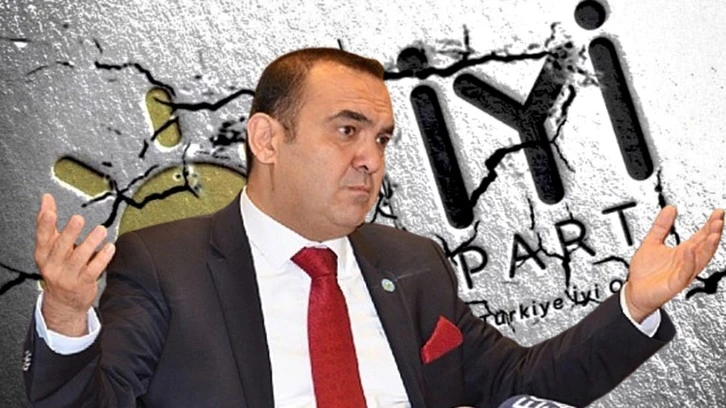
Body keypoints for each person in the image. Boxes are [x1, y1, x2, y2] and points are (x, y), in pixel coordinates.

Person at [24, 48, 724, 408]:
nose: (371, 158)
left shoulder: (412, 261)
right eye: (347, 130)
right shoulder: (162, 264)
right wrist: (65, 319)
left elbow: (517, 381)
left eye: (383, 138)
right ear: (267, 139)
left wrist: (634, 306)